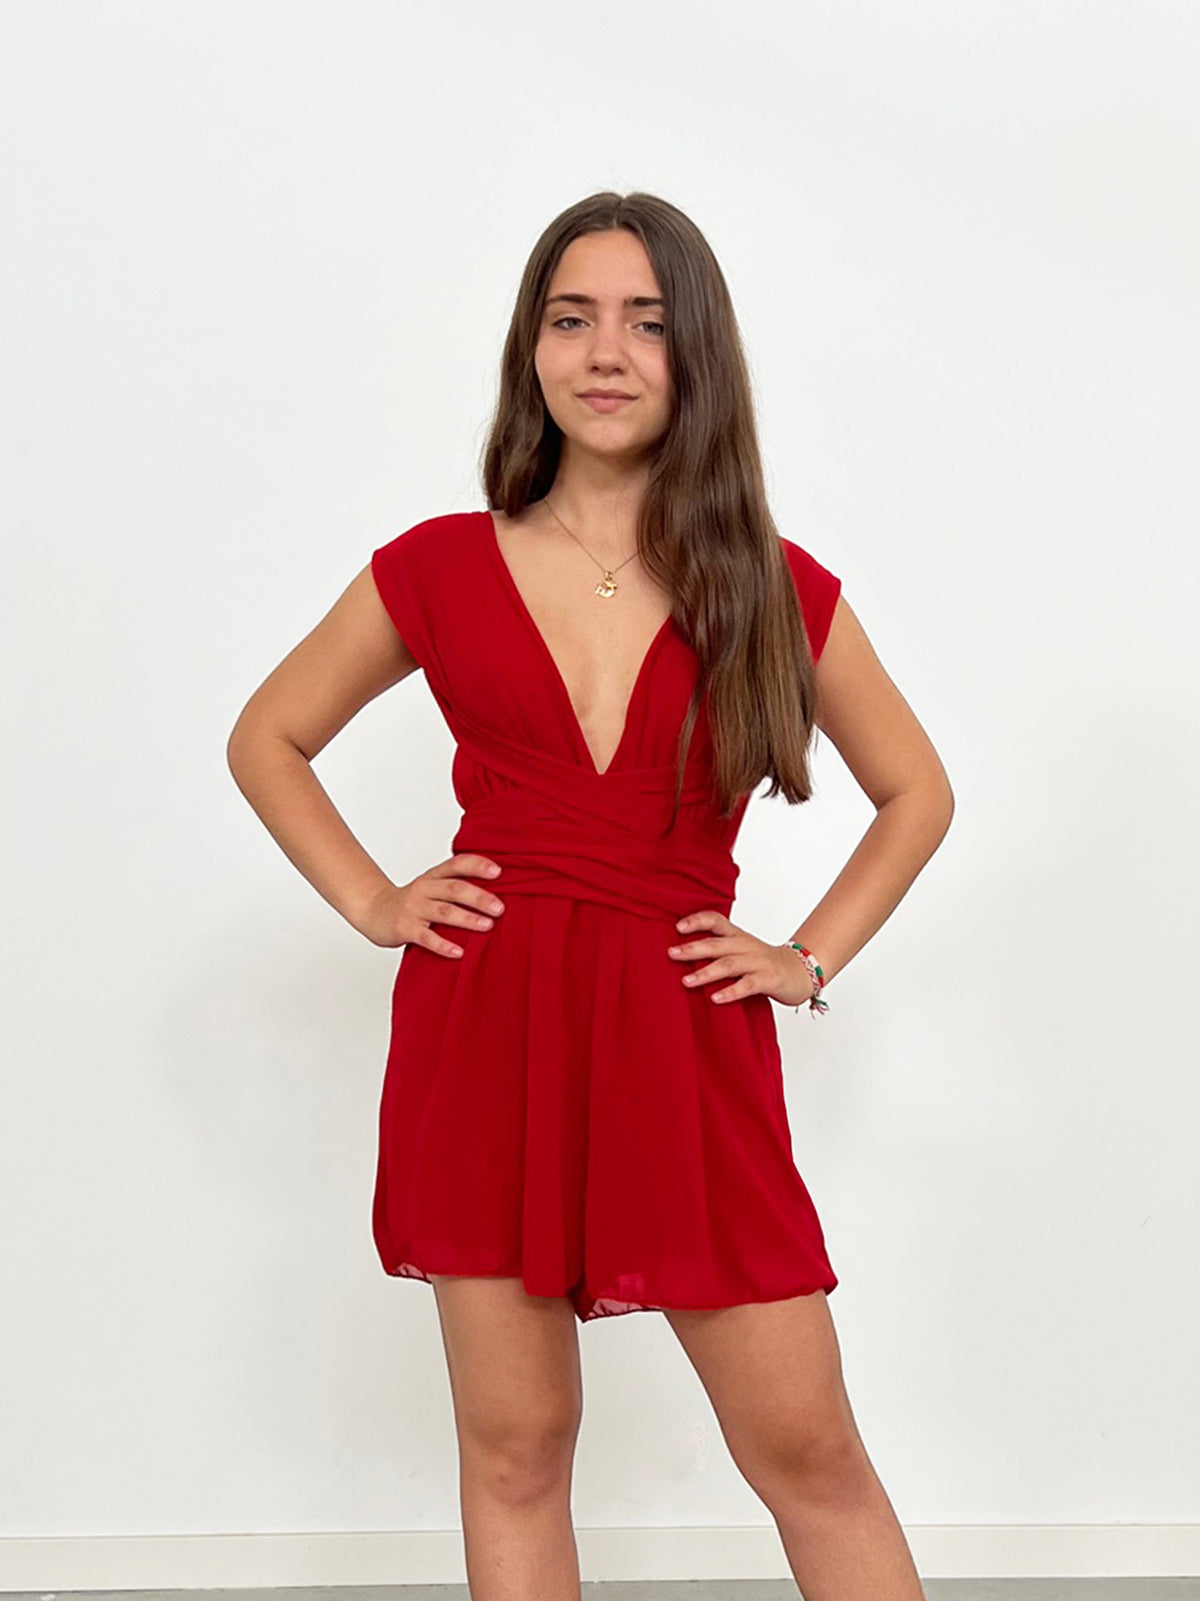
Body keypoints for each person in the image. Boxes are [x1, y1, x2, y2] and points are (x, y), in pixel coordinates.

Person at [227, 191, 951, 1601]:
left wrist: (806, 958)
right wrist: (376, 902)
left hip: (682, 1036)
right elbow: (269, 735)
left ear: (698, 357)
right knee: (516, 1447)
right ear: (532, 349)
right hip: (488, 1029)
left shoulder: (771, 585)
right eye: (571, 319)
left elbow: (917, 790)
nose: (605, 352)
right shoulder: (437, 565)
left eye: (646, 322)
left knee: (806, 1446)